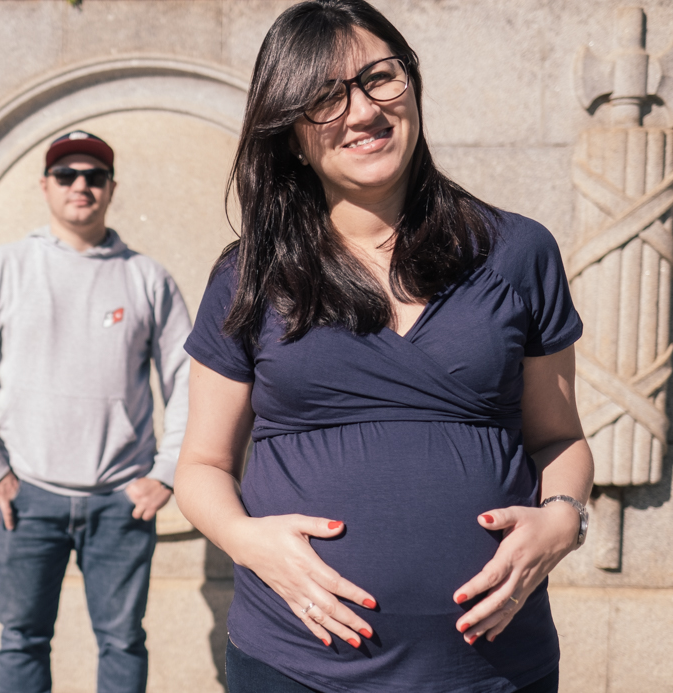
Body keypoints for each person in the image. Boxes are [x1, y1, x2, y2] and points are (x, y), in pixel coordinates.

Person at [174, 2, 593, 692]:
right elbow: (201, 464)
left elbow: (559, 440)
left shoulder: (519, 252)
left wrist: (563, 521)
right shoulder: (248, 272)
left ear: (413, 85)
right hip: (295, 663)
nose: (363, 111)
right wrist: (250, 543)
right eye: (324, 97)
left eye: (381, 79)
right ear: (288, 133)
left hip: (490, 669)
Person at [0, 131, 191, 693]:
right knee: (22, 639)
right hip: (27, 498)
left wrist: (167, 472)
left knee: (122, 642)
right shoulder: (5, 268)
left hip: (120, 503)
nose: (80, 186)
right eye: (67, 175)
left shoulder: (147, 278)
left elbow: (191, 379)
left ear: (111, 189)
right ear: (45, 186)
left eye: (94, 176)